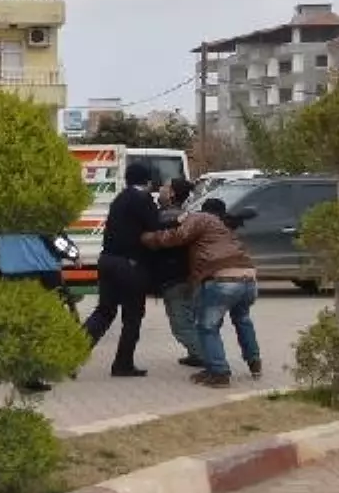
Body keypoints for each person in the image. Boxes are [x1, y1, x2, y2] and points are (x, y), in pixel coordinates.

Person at [141, 197, 261, 388]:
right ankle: (254, 362)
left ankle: (219, 372)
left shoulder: (200, 218)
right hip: (248, 277)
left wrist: (149, 238)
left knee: (207, 327)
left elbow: (177, 237)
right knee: (242, 319)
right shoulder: (224, 228)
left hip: (222, 278)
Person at [82, 162, 161, 377]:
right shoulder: (143, 199)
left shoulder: (119, 199)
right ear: (147, 180)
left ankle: (71, 356)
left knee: (104, 311)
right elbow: (156, 228)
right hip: (130, 265)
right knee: (133, 315)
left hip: (107, 260)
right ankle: (123, 363)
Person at [0, 231, 79, 393]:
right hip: (44, 274)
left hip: (11, 275)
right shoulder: (39, 216)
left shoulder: (0, 220)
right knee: (58, 319)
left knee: (21, 325)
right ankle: (67, 362)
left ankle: (26, 376)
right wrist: (74, 254)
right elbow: (57, 239)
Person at [153, 178, 203, 367]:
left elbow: (158, 227)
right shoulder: (182, 214)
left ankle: (209, 358)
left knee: (181, 325)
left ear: (172, 193)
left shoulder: (171, 216)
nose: (160, 189)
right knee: (187, 318)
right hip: (184, 276)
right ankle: (196, 353)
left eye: (164, 187)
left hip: (175, 278)